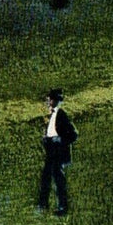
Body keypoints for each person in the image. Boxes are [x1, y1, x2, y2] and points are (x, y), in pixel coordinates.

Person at [36, 88, 77, 216]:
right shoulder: (52, 115)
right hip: (51, 151)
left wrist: (59, 139)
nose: (48, 102)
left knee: (58, 180)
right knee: (46, 177)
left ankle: (62, 207)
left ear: (54, 101)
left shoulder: (61, 115)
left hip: (57, 151)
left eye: (49, 100)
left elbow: (73, 135)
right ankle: (43, 204)